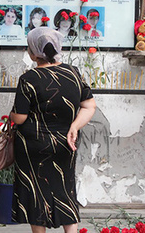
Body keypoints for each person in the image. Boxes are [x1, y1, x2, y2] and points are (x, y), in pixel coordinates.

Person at [11, 27, 96, 233]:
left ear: (33, 52)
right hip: (66, 142)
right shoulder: (73, 73)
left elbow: (20, 117)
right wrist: (74, 126)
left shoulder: (29, 78)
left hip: (33, 146)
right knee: (65, 188)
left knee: (36, 191)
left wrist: (11, 115)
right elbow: (89, 106)